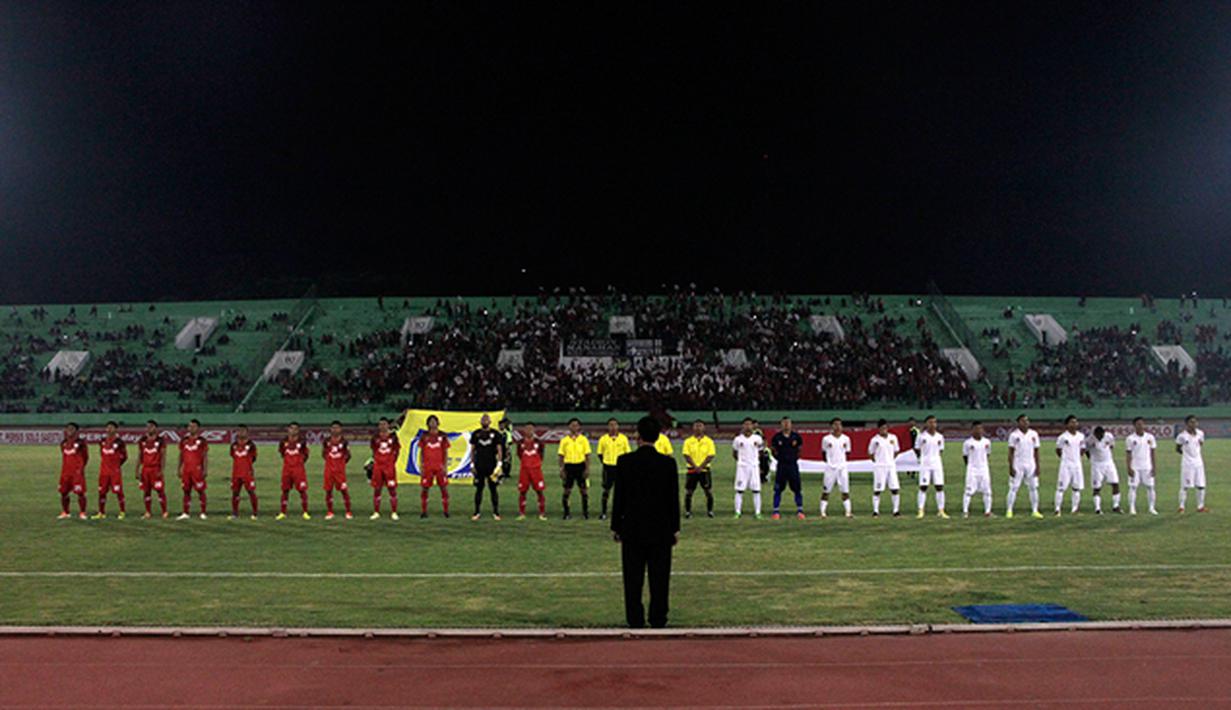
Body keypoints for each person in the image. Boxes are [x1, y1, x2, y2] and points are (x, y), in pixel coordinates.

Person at [610, 416, 680, 629]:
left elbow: (619, 497)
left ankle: (635, 619)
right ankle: (658, 618)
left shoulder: (625, 461)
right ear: (658, 437)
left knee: (632, 578)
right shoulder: (668, 463)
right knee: (660, 578)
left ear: (637, 436)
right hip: (661, 528)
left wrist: (616, 526)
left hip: (632, 527)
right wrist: (675, 528)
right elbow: (672, 499)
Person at [1005, 414, 1043, 519]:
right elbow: (1010, 452)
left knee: (1033, 488)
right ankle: (1009, 510)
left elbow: (1036, 451)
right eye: (1023, 421)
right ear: (1018, 423)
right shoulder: (1014, 435)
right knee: (1013, 488)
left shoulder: (1034, 434)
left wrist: (1038, 466)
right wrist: (1011, 466)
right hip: (1018, 463)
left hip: (1030, 463)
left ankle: (1035, 510)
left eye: (1027, 421)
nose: (1026, 422)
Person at [469, 413, 504, 521]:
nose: (485, 420)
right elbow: (472, 450)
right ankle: (477, 512)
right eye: (483, 419)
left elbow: (499, 449)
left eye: (487, 419)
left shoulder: (495, 434)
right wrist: (472, 464)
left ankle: (496, 512)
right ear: (480, 421)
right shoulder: (476, 434)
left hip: (491, 465)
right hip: (479, 465)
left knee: (493, 489)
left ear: (490, 421)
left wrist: (499, 463)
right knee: (479, 489)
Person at [770, 417, 805, 520]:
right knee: (778, 489)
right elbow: (773, 451)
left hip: (793, 466)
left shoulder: (796, 437)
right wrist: (780, 458)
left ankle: (800, 510)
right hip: (781, 466)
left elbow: (799, 450)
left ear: (791, 424)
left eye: (788, 423)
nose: (786, 425)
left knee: (797, 489)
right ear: (781, 425)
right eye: (784, 423)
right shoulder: (777, 437)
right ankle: (776, 511)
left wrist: (792, 458)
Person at [914, 415, 948, 519]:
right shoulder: (921, 436)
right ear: (926, 424)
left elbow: (940, 450)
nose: (933, 424)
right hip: (925, 464)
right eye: (930, 422)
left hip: (937, 464)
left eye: (934, 422)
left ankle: (941, 510)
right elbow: (917, 449)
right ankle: (920, 510)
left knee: (939, 487)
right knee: (923, 487)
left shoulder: (939, 437)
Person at [557, 417, 592, 520]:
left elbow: (587, 455)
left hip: (580, 466)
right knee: (567, 491)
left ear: (579, 427)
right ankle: (566, 513)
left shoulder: (583, 440)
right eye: (572, 425)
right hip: (569, 467)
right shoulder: (564, 440)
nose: (574, 427)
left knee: (584, 491)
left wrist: (587, 469)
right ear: (569, 427)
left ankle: (585, 513)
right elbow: (561, 456)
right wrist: (561, 469)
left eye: (576, 425)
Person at [597, 418, 631, 520]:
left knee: (622, 491)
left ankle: (622, 512)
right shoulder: (603, 439)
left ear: (618, 426)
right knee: (606, 490)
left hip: (621, 468)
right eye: (611, 425)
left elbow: (627, 453)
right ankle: (603, 512)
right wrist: (606, 462)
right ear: (608, 427)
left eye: (615, 425)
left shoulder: (623, 439)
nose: (613, 427)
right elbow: (600, 453)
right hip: (608, 467)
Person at [681, 420, 716, 519]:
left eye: (700, 426)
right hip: (692, 470)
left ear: (704, 428)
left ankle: (710, 511)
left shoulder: (709, 441)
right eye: (696, 426)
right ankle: (688, 511)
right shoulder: (688, 441)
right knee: (689, 492)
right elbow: (686, 455)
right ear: (693, 428)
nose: (698, 428)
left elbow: (711, 455)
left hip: (704, 470)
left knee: (708, 491)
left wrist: (701, 467)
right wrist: (695, 466)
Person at [93, 421, 128, 520]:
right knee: (101, 492)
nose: (109, 429)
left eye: (111, 427)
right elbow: (102, 454)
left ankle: (122, 512)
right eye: (108, 427)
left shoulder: (119, 442)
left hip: (114, 472)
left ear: (115, 429)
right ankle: (101, 513)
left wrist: (117, 465)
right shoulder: (102, 441)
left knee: (118, 492)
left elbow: (125, 456)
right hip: (104, 472)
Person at [276, 422, 311, 520]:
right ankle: (283, 512)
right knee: (285, 490)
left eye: (296, 429)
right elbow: (282, 453)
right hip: (287, 469)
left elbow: (306, 455)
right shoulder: (283, 441)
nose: (293, 430)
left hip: (298, 470)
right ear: (288, 429)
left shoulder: (302, 441)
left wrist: (299, 463)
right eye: (291, 428)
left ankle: (305, 512)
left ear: (298, 430)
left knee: (302, 490)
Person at [419, 414, 451, 518]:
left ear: (438, 423)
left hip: (439, 467)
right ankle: (424, 511)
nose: (432, 423)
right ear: (428, 423)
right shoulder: (424, 436)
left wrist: (445, 466)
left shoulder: (443, 436)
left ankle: (446, 511)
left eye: (434, 421)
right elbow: (421, 452)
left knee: (443, 488)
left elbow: (445, 452)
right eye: (430, 421)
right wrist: (421, 465)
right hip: (427, 466)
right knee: (425, 488)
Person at [135, 419, 168, 519]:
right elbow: (140, 455)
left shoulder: (160, 440)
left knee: (160, 491)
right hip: (145, 469)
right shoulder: (142, 440)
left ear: (155, 428)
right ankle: (148, 512)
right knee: (146, 491)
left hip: (155, 469)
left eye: (151, 426)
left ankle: (164, 511)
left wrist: (161, 470)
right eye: (147, 427)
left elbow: (163, 456)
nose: (148, 428)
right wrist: (137, 470)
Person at [1124, 417, 1158, 515]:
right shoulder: (1130, 438)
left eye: (1142, 424)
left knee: (1150, 487)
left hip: (1147, 466)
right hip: (1135, 466)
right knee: (1133, 487)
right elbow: (1128, 454)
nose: (1140, 426)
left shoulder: (1150, 437)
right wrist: (1129, 467)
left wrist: (1154, 467)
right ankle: (1132, 508)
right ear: (1134, 426)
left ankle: (1151, 508)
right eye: (1138, 424)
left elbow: (1153, 453)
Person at [731, 417, 764, 519]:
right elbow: (734, 453)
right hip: (742, 467)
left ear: (753, 426)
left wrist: (755, 462)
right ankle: (737, 512)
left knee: (756, 490)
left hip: (754, 467)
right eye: (746, 424)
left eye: (749, 424)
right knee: (739, 490)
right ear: (743, 426)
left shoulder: (757, 439)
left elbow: (761, 451)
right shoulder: (738, 439)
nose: (748, 426)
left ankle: (757, 512)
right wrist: (742, 462)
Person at [865, 419, 898, 517]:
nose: (884, 429)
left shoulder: (893, 438)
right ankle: (875, 511)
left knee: (895, 488)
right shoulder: (875, 440)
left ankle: (896, 511)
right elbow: (870, 453)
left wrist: (891, 460)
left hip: (891, 466)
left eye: (886, 427)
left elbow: (896, 451)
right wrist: (877, 461)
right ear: (879, 429)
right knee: (877, 489)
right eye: (882, 428)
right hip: (879, 467)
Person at [369, 418, 401, 519]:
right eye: (380, 424)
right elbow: (374, 451)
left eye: (384, 424)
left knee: (392, 489)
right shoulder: (375, 437)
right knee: (377, 489)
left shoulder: (393, 437)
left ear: (388, 425)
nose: (382, 426)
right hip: (378, 467)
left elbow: (397, 451)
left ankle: (394, 512)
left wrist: (392, 462)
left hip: (389, 467)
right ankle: (376, 512)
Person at [177, 419, 209, 520]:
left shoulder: (202, 441)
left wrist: (205, 469)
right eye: (189, 426)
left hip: (197, 469)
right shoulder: (184, 440)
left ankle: (203, 512)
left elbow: (205, 456)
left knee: (200, 490)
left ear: (198, 428)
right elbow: (181, 455)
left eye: (194, 426)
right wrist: (179, 468)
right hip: (186, 470)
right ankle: (185, 512)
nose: (191, 428)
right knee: (186, 491)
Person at [1176, 415, 1208, 513]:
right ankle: (1181, 507)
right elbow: (1177, 448)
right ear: (1187, 424)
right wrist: (1187, 455)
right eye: (1191, 422)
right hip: (1187, 464)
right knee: (1185, 486)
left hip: (1199, 463)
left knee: (1201, 485)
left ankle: (1200, 506)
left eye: (1195, 422)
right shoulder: (1182, 436)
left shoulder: (1200, 433)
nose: (1193, 424)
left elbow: (1200, 444)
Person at [1085, 425, 1121, 514]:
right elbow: (1086, 450)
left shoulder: (1109, 436)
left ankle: (1116, 506)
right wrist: (1091, 459)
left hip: (1109, 463)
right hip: (1096, 465)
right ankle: (1097, 508)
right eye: (1097, 435)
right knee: (1097, 487)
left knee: (1115, 483)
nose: (1098, 437)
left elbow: (1112, 446)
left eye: (1100, 435)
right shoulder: (1089, 440)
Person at [961, 422, 993, 518]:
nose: (979, 431)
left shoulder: (987, 442)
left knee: (987, 491)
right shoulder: (967, 443)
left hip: (984, 469)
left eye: (980, 428)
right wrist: (971, 466)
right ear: (972, 430)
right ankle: (965, 511)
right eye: (976, 428)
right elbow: (965, 457)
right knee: (968, 491)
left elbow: (987, 454)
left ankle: (988, 512)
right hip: (972, 470)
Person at [1054, 415, 1085, 516]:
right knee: (1061, 488)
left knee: (1076, 488)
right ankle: (1057, 509)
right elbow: (1058, 450)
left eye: (1075, 422)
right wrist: (1065, 459)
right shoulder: (1063, 437)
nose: (1074, 424)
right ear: (1067, 424)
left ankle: (1074, 509)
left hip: (1077, 465)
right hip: (1066, 465)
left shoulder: (1081, 436)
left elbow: (1082, 449)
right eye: (1071, 422)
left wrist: (1077, 458)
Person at [322, 420, 353, 520]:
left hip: (340, 471)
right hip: (329, 470)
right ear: (330, 429)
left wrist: (341, 463)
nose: (335, 429)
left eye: (337, 428)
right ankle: (330, 512)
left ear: (341, 429)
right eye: (333, 428)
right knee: (328, 491)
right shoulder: (326, 441)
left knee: (344, 491)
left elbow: (348, 455)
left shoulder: (344, 442)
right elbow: (324, 454)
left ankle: (348, 512)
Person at [516, 422, 548, 520]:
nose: (529, 431)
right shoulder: (520, 442)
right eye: (527, 429)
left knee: (539, 491)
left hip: (536, 470)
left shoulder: (539, 442)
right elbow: (519, 454)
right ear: (524, 430)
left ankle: (542, 513)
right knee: (522, 491)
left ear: (534, 430)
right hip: (524, 470)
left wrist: (536, 463)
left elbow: (541, 454)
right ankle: (522, 513)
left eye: (531, 429)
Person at [57, 422, 89, 520]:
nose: (69, 430)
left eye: (72, 428)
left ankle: (82, 512)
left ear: (76, 431)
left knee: (80, 492)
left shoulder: (81, 443)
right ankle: (66, 512)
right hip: (65, 472)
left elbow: (86, 457)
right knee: (63, 492)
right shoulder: (63, 443)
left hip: (77, 473)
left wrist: (80, 468)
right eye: (68, 429)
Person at [228, 424, 259, 519]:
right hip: (236, 472)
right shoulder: (234, 445)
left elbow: (254, 458)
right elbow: (233, 456)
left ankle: (254, 513)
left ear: (247, 432)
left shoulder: (251, 445)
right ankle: (235, 513)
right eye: (239, 431)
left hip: (247, 472)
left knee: (251, 492)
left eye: (243, 431)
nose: (241, 433)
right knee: (235, 493)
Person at [753, 419, 771, 485]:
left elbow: (764, 440)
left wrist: (764, 447)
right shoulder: (749, 432)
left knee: (764, 461)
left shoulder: (759, 431)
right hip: (753, 451)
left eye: (756, 424)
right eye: (754, 424)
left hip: (760, 450)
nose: (756, 425)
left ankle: (763, 476)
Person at [498, 417, 514, 482]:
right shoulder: (500, 432)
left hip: (508, 445)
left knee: (508, 460)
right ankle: (502, 472)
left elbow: (510, 424)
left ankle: (507, 473)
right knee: (501, 460)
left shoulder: (508, 429)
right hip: (503, 446)